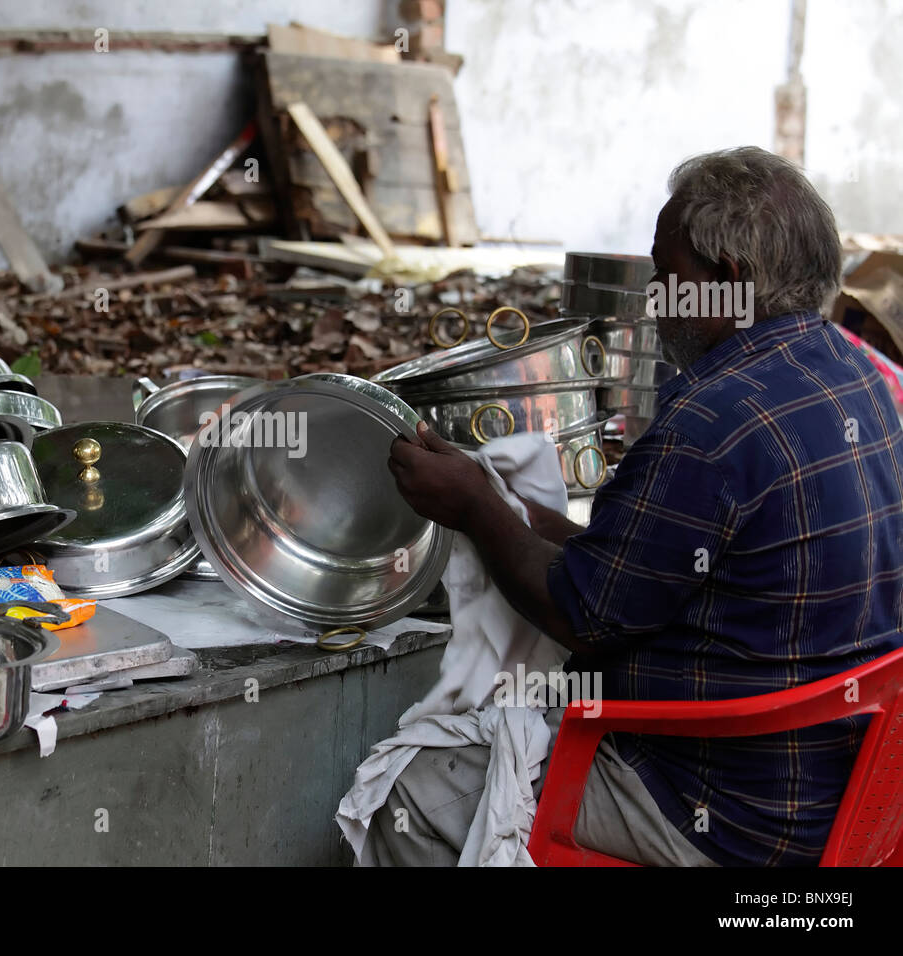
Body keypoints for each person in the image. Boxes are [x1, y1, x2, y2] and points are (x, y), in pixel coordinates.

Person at [373, 146, 903, 866]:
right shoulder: (856, 377)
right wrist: (509, 506)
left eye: (667, 273)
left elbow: (584, 614)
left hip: (722, 807)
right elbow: (638, 563)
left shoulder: (712, 420)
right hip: (852, 790)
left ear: (729, 281)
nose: (656, 298)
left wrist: (473, 510)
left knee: (407, 795)